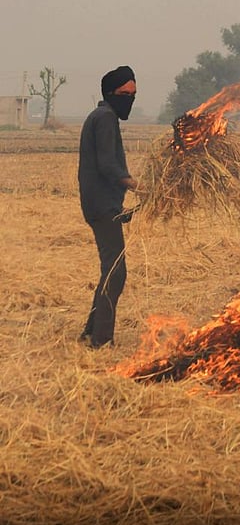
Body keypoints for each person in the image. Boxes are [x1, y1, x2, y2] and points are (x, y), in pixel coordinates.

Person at [78, 65, 141, 349]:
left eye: (133, 94)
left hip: (103, 204)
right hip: (102, 206)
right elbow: (107, 164)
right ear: (110, 93)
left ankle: (92, 331)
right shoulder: (105, 118)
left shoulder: (103, 115)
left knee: (110, 269)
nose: (129, 98)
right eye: (125, 93)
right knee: (116, 272)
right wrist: (136, 185)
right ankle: (101, 340)